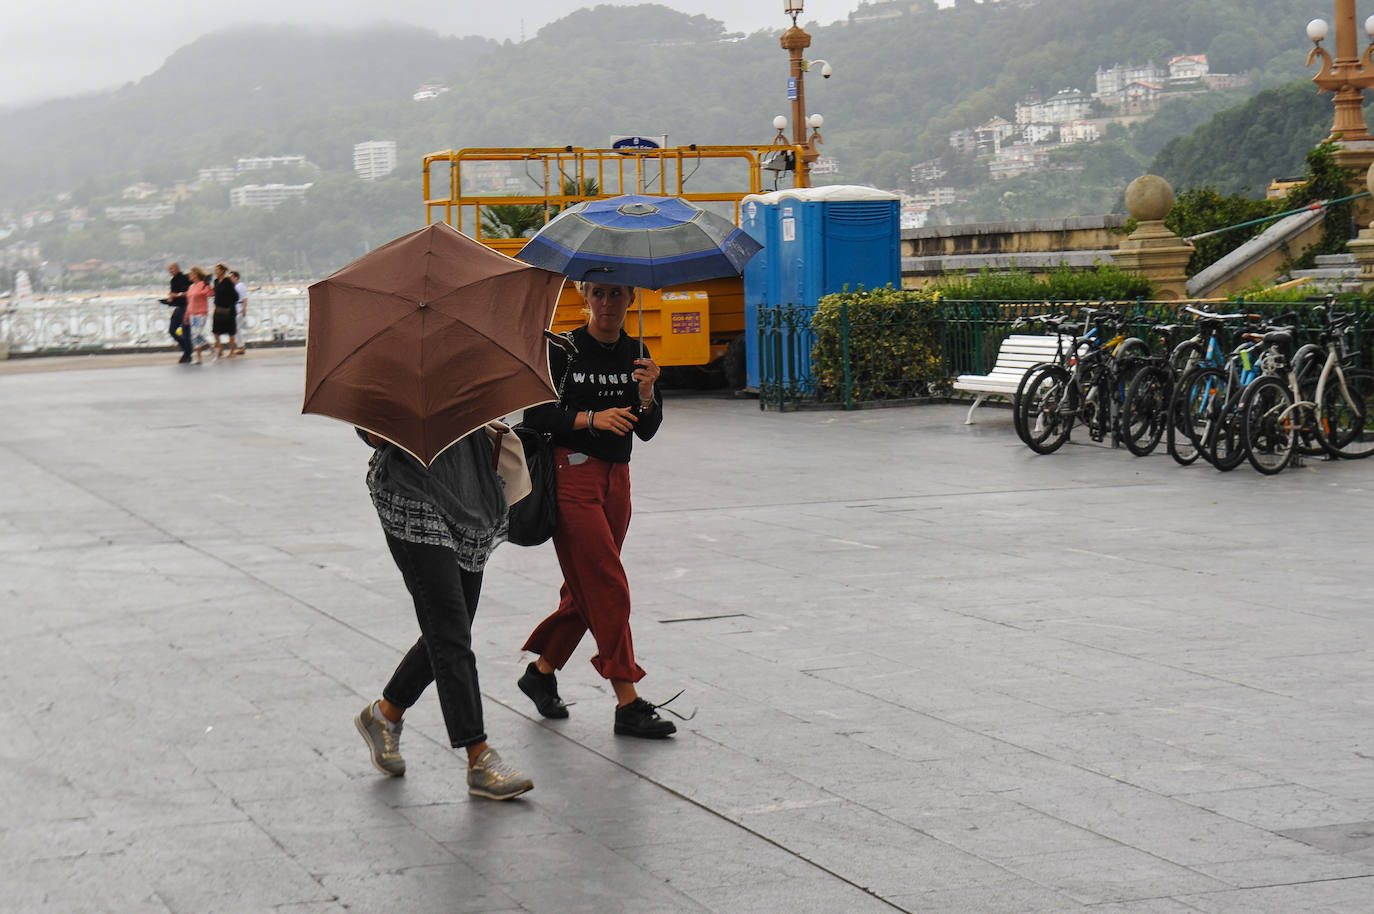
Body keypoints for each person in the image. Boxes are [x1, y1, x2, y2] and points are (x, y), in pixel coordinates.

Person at [515, 281, 683, 739]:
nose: (607, 303)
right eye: (598, 294)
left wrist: (648, 394)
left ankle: (542, 672)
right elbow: (535, 416)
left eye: (616, 294)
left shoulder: (638, 351)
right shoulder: (563, 349)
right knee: (607, 583)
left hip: (617, 481)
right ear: (584, 295)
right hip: (571, 477)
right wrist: (592, 419)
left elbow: (646, 430)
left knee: (585, 587)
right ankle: (627, 699)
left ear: (631, 298)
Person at [354, 423, 535, 800]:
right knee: (451, 630)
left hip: (470, 495)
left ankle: (384, 714)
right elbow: (372, 434)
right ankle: (479, 756)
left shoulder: (468, 362)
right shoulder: (383, 367)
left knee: (452, 627)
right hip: (411, 494)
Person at [165, 262, 193, 363]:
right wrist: (170, 299)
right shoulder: (173, 280)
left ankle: (187, 354)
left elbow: (189, 292)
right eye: (169, 269)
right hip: (178, 308)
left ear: (177, 268)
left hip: (186, 307)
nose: (170, 271)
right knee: (172, 330)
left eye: (171, 269)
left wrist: (177, 295)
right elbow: (174, 294)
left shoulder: (185, 278)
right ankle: (187, 349)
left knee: (186, 332)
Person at [184, 267, 212, 363]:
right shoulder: (191, 287)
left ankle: (210, 348)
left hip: (201, 313)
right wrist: (187, 315)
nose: (189, 276)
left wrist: (207, 286)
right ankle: (199, 357)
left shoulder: (203, 284)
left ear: (196, 274)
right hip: (192, 314)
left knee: (196, 334)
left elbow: (210, 294)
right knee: (194, 336)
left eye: (191, 274)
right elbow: (189, 302)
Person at [211, 263, 238, 359]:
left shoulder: (227, 281)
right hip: (218, 308)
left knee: (231, 331)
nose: (216, 271)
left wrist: (230, 306)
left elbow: (235, 296)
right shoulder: (216, 281)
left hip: (228, 309)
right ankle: (220, 349)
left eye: (217, 270)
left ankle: (232, 351)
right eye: (215, 270)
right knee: (215, 331)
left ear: (222, 271)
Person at [229, 270, 247, 355]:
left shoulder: (240, 286)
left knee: (236, 328)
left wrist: (244, 308)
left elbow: (244, 298)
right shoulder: (232, 287)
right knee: (235, 328)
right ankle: (240, 346)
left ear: (236, 277)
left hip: (239, 308)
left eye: (231, 277)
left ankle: (241, 346)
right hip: (234, 308)